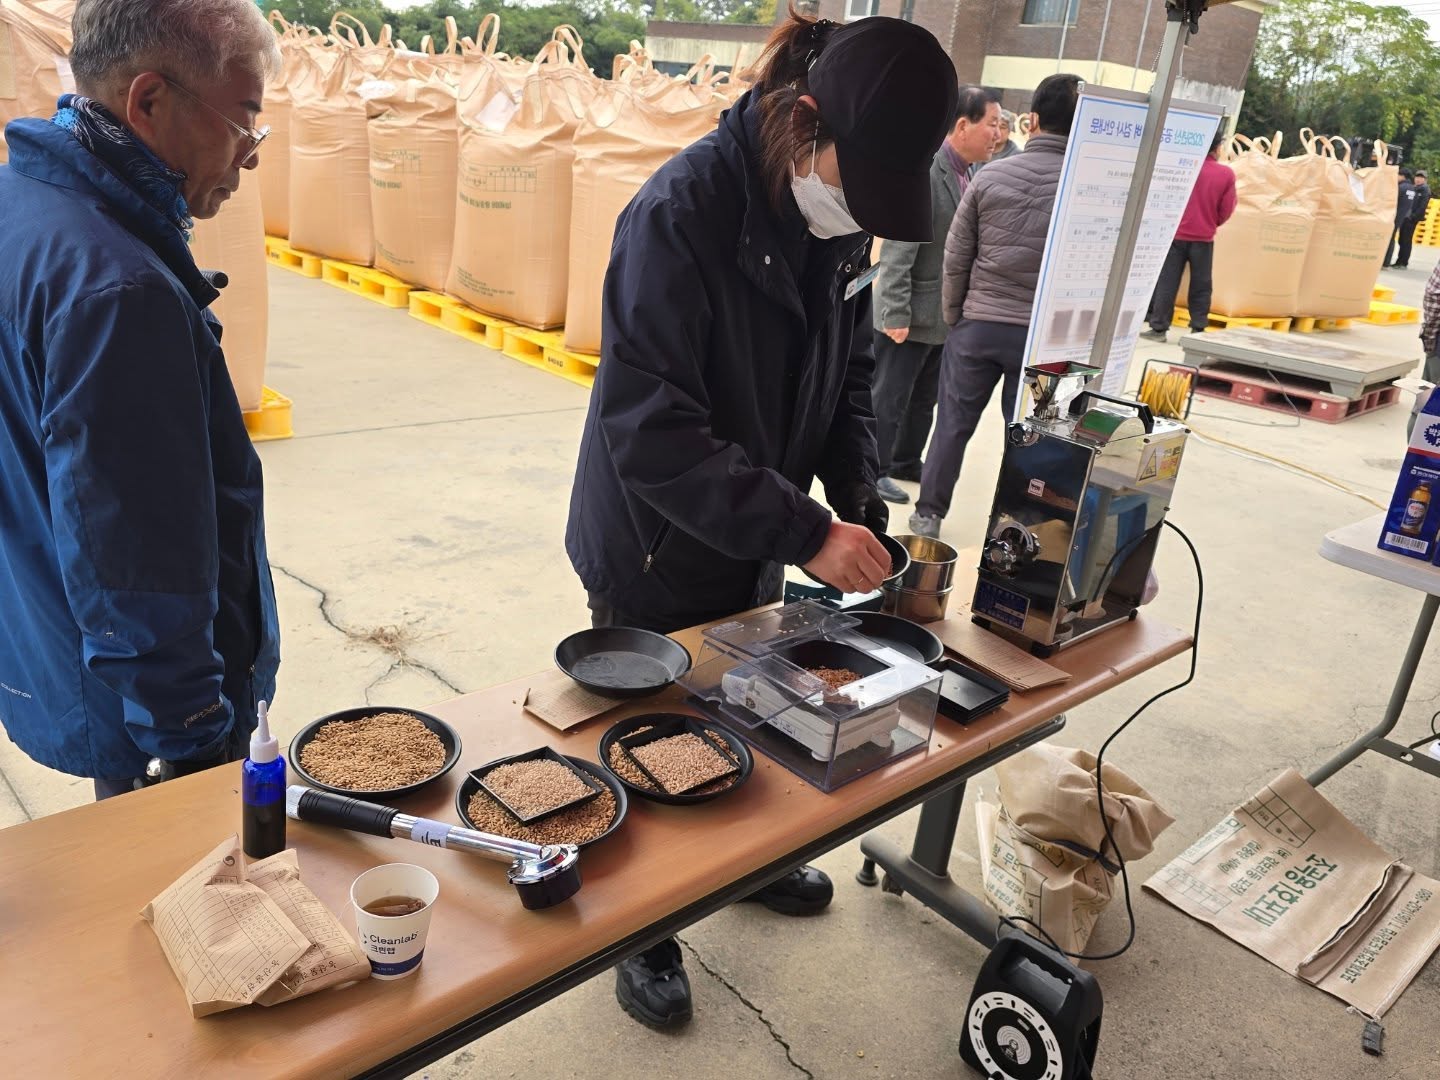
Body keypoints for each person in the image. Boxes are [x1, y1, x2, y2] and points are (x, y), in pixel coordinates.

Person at [566, 13, 958, 1028]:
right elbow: (650, 431)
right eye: (854, 189)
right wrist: (805, 532)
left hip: (755, 522)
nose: (857, 217)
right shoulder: (679, 215)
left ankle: (743, 867)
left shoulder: (831, 219)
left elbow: (850, 377)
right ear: (805, 123)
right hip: (655, 535)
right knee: (652, 731)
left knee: (743, 710)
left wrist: (858, 501)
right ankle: (642, 929)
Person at [0, 0, 282, 800]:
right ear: (150, 100)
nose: (250, 154)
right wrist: (187, 732)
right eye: (244, 119)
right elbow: (133, 553)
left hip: (55, 638)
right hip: (140, 706)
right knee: (177, 871)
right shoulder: (117, 289)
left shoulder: (21, 203)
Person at [908, 74, 1080, 540]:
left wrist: (956, 318)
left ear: (1033, 120)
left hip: (979, 326)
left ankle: (928, 515)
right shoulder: (1085, 188)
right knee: (1029, 435)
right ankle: (1016, 525)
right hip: (1043, 339)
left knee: (952, 425)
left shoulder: (991, 176)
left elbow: (956, 256)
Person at [871, 85, 1000, 505]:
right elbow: (898, 247)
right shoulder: (928, 172)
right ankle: (872, 469)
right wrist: (894, 311)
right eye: (992, 124)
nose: (998, 134)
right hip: (909, 312)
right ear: (962, 126)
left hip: (942, 316)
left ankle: (906, 460)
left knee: (925, 398)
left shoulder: (968, 173)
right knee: (889, 396)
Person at [1141, 127, 1237, 342]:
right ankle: (1198, 328)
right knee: (1201, 283)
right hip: (1203, 238)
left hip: (1175, 235)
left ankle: (1159, 328)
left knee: (1167, 281)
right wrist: (1211, 222)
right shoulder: (1225, 174)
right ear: (1217, 148)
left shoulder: (1183, 169)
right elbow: (1227, 208)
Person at [1394, 169, 1430, 270]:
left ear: (1425, 179)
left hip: (1411, 219)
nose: (1418, 179)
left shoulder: (1424, 190)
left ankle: (1403, 262)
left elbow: (1422, 207)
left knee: (1406, 240)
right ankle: (1399, 261)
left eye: (1421, 177)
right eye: (1417, 177)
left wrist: (1413, 217)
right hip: (1405, 217)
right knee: (1402, 239)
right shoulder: (1414, 188)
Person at [970, 108, 1019, 178]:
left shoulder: (1016, 156)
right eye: (994, 126)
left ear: (1009, 131)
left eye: (1002, 127)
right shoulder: (977, 147)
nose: (997, 131)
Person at [1384, 168, 1418, 269]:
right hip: (1403, 217)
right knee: (1393, 238)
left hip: (1394, 216)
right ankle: (1388, 262)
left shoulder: (1400, 187)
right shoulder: (1412, 188)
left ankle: (1385, 262)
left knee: (1389, 238)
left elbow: (1391, 201)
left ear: (1403, 176)